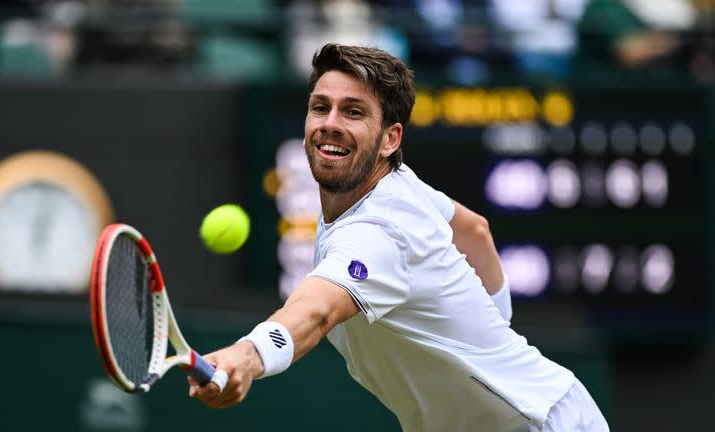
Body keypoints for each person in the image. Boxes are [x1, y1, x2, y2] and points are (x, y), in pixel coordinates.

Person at [188, 43, 609, 432]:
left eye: (353, 112)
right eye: (321, 107)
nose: (330, 124)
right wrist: (495, 334)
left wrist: (248, 355)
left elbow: (314, 312)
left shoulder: (381, 233)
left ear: (391, 138)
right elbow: (475, 228)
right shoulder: (398, 185)